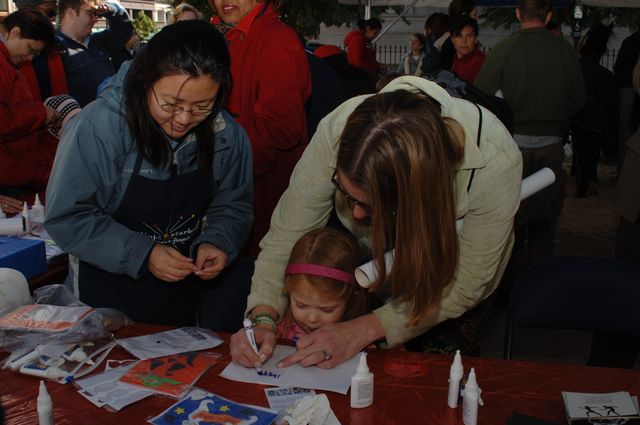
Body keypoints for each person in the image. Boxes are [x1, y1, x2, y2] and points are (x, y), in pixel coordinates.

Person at [229, 75, 522, 369]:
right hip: (373, 268)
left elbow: (463, 283)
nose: (356, 216)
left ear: (421, 196)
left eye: (374, 207)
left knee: (432, 376)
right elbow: (287, 234)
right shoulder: (339, 130)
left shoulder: (495, 162)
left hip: (449, 281)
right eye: (347, 194)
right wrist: (264, 315)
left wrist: (367, 328)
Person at [44, 21, 253, 327]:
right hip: (104, 296)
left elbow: (233, 205)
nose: (183, 119)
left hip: (185, 298)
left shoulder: (226, 136)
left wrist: (218, 241)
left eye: (201, 106)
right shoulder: (99, 128)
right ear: (146, 81)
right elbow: (68, 217)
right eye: (170, 104)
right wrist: (143, 254)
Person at [475, 0, 585, 281]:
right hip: (551, 144)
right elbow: (578, 100)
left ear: (517, 13)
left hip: (513, 146)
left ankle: (507, 281)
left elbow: (480, 95)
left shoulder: (504, 49)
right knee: (545, 217)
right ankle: (539, 278)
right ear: (548, 16)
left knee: (509, 214)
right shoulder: (564, 50)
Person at [209, 0, 311, 256]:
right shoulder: (227, 34)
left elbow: (279, 128)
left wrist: (218, 167)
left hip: (264, 193)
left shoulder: (276, 38)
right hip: (238, 193)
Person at [0, 7, 60, 209]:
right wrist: (40, 113)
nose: (30, 58)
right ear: (15, 32)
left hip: (15, 176)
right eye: (31, 50)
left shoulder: (8, 65)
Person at [276, 228, 370, 343]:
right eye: (301, 305)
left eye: (327, 310)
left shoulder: (361, 340)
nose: (312, 319)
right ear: (288, 291)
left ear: (350, 298)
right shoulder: (278, 333)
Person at [57, 0, 133, 106]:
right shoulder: (55, 52)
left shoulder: (99, 42)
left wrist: (110, 9)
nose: (95, 20)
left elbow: (125, 31)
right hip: (84, 120)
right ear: (71, 13)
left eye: (96, 14)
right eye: (91, 13)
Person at [13, 0, 68, 101]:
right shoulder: (10, 58)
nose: (53, 18)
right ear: (28, 10)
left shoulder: (53, 48)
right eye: (49, 12)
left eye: (55, 13)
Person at [450, 15, 484, 84]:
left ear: (476, 39)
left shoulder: (481, 62)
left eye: (469, 36)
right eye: (459, 36)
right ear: (452, 39)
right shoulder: (455, 58)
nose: (464, 41)